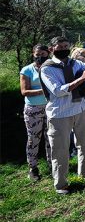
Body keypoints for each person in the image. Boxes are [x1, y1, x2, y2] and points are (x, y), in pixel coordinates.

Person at [40, 36, 85, 194]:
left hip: (80, 108)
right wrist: (81, 79)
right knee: (60, 150)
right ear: (52, 49)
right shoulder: (47, 68)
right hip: (59, 114)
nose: (63, 49)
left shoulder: (74, 63)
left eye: (66, 46)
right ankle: (61, 184)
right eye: (60, 47)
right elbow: (58, 91)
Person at [20, 44, 52, 181]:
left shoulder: (51, 67)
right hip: (33, 109)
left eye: (43, 54)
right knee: (34, 139)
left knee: (51, 138)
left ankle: (53, 166)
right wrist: (45, 90)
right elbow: (24, 91)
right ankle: (33, 168)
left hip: (51, 107)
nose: (40, 57)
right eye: (37, 54)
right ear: (33, 54)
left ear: (48, 53)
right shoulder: (27, 70)